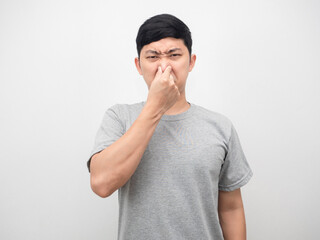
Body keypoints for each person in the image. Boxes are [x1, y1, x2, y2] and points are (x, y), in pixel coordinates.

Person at [87, 13, 253, 240]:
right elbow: (101, 184)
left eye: (174, 55)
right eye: (153, 56)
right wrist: (155, 107)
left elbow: (231, 208)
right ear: (138, 65)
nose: (164, 66)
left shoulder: (220, 126)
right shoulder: (119, 117)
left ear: (191, 62)